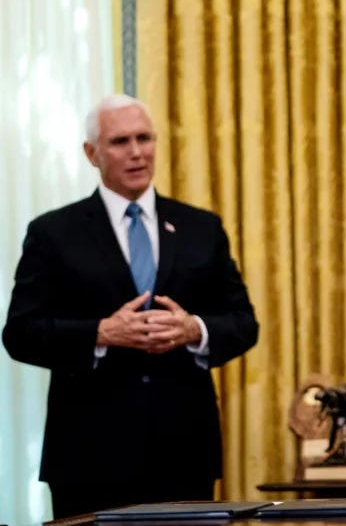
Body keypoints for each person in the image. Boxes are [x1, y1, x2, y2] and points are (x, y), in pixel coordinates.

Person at [2, 95, 259, 518]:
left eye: (145, 138)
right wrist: (100, 333)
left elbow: (243, 323)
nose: (137, 152)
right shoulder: (53, 232)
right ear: (92, 154)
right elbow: (20, 333)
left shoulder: (201, 227)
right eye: (120, 141)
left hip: (184, 451)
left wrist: (194, 329)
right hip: (88, 457)